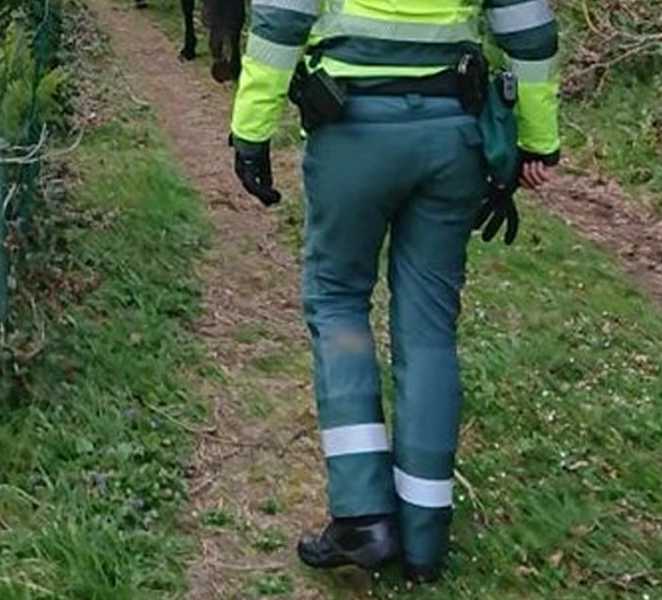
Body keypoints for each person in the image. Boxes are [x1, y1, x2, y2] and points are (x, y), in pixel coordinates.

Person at [227, 0, 561, 584]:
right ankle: (424, 535)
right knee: (431, 331)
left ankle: (362, 517)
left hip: (352, 133)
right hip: (451, 135)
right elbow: (529, 34)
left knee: (337, 303)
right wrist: (536, 138)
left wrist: (251, 132)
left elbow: (281, 21)